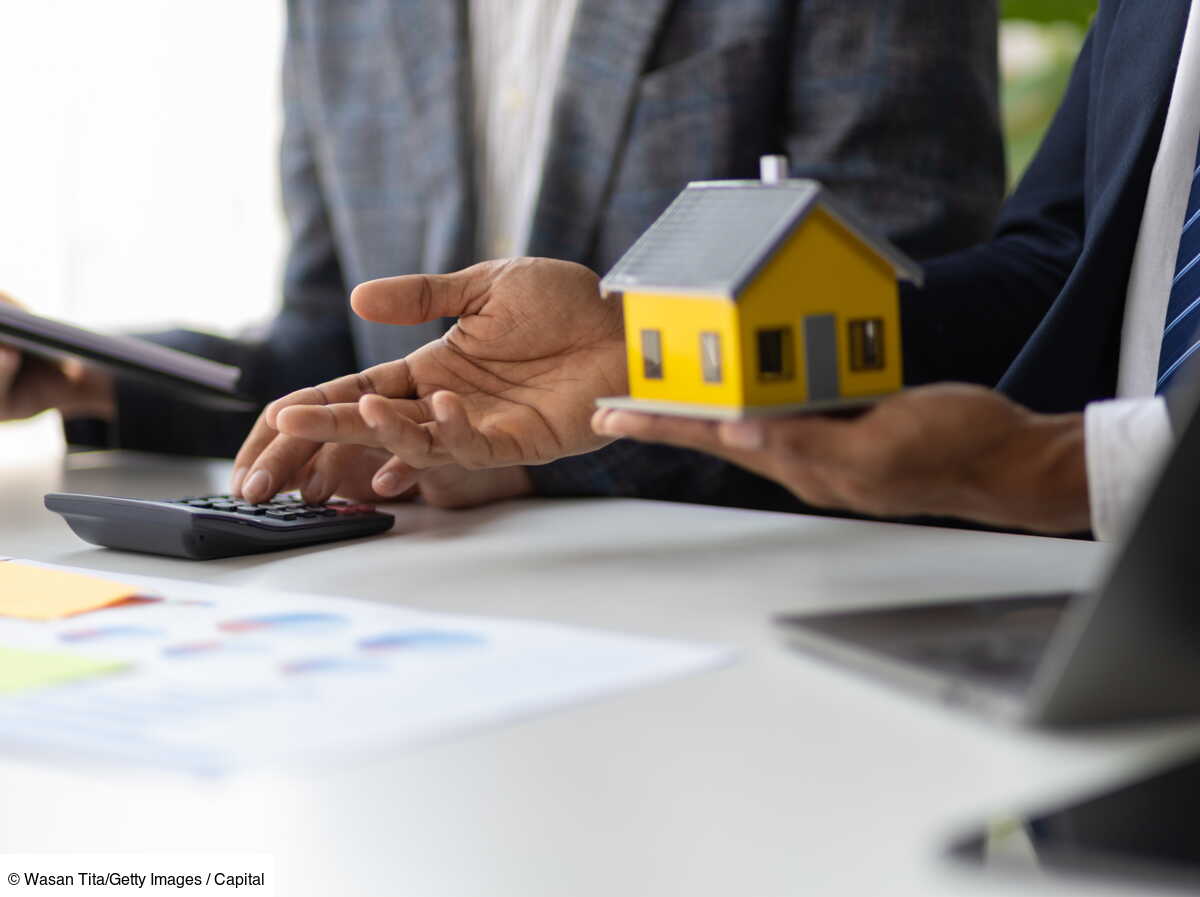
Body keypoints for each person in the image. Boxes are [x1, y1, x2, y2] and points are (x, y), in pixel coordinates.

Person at [234, 0, 1200, 541]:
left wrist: (1054, 470)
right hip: (1114, 639)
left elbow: (906, 250)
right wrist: (649, 352)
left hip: (738, 578)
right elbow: (1060, 273)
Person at [0, 1, 1005, 512]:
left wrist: (535, 463)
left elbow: (915, 321)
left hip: (740, 599)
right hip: (449, 608)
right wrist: (95, 376)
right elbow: (335, 349)